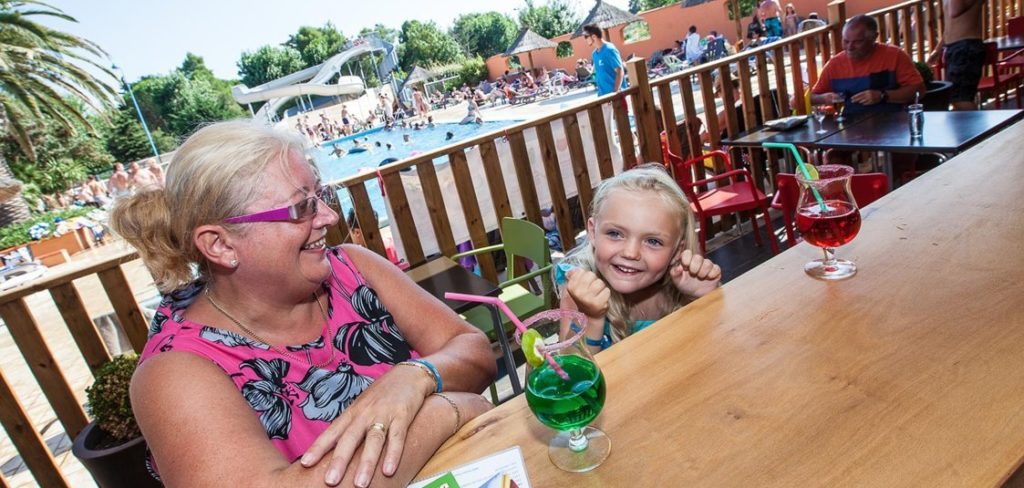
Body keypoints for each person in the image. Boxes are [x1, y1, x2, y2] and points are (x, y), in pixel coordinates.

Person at [109, 121, 494, 487]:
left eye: (320, 196)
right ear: (221, 245)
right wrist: (448, 408)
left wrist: (414, 376)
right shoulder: (175, 373)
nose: (328, 216)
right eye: (300, 208)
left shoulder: (353, 268)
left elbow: (475, 351)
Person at [558, 164, 721, 351]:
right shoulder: (578, 289)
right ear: (593, 232)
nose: (630, 253)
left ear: (677, 251)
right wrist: (591, 317)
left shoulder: (682, 287)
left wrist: (704, 300)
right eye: (615, 233)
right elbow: (570, 374)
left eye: (652, 241)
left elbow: (712, 350)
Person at [810, 15, 925, 115]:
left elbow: (919, 91)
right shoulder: (834, 64)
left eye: (857, 42)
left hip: (892, 124)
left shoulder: (895, 56)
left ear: (874, 37)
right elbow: (812, 97)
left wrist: (883, 96)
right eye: (846, 41)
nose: (849, 47)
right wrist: (825, 98)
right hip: (848, 128)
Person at [927, 0, 984, 110]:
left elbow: (955, 11)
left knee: (961, 99)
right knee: (956, 98)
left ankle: (974, 127)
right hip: (957, 47)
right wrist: (938, 49)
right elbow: (951, 24)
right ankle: (966, 127)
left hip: (966, 47)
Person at [583, 24, 626, 96]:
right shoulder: (594, 54)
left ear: (594, 36)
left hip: (615, 95)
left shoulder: (609, 49)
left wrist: (615, 92)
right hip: (603, 95)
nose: (585, 39)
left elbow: (619, 71)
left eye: (586, 36)